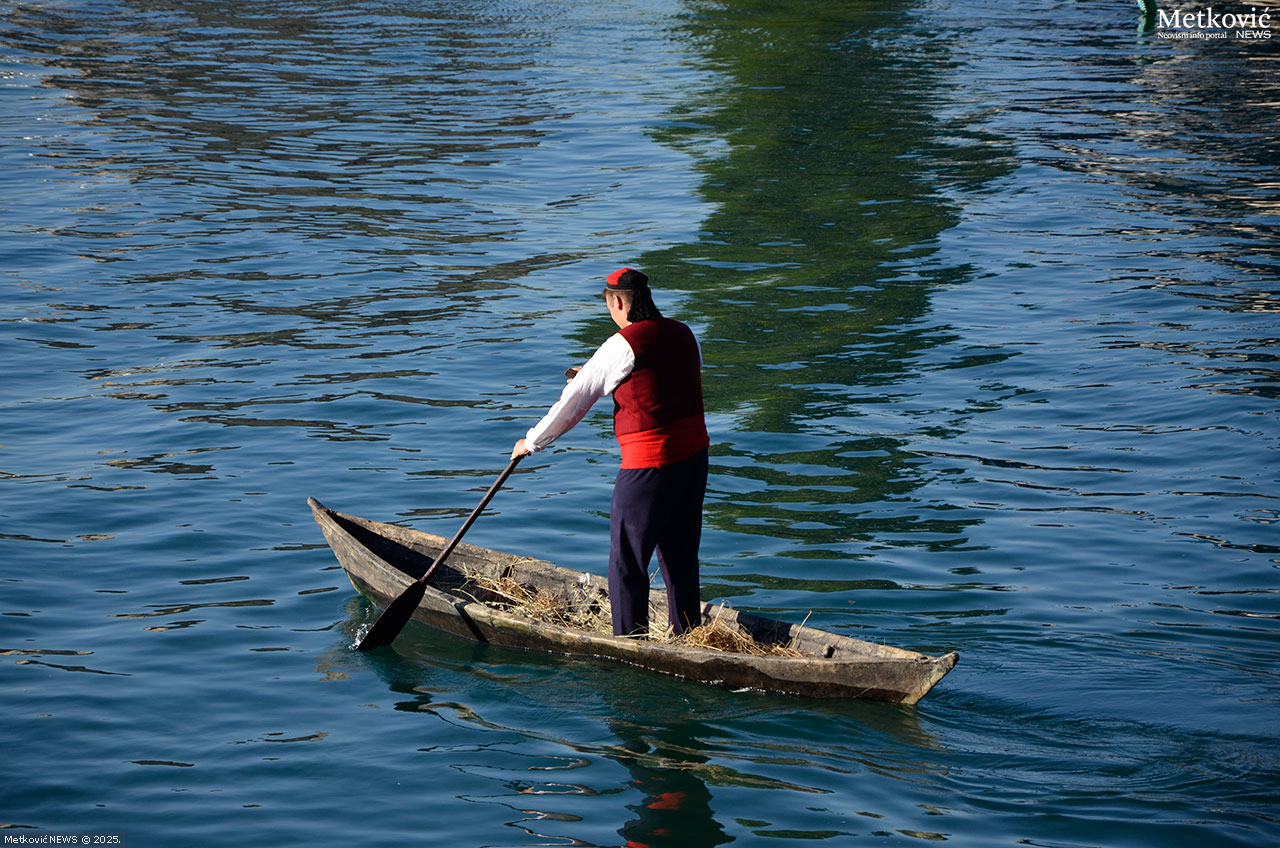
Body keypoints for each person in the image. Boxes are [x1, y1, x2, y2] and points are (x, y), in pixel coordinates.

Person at [511, 268, 709, 637]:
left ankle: (629, 641)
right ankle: (689, 634)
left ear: (617, 301)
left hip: (648, 469)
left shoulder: (622, 344)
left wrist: (531, 442)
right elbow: (661, 377)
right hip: (694, 461)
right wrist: (595, 372)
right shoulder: (684, 332)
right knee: (681, 556)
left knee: (627, 561)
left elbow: (573, 404)